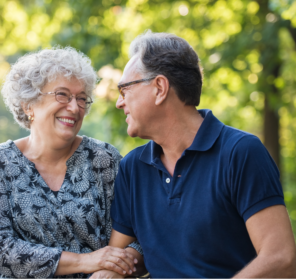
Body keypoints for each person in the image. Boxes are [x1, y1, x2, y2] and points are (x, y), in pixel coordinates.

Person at [92, 31, 296, 278]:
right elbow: (121, 256)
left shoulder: (241, 153)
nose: (119, 102)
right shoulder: (133, 168)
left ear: (159, 88)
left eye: (125, 90)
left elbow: (281, 258)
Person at [0, 47, 144, 278]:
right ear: (28, 104)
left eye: (81, 98)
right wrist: (87, 261)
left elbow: (143, 234)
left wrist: (115, 270)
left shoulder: (105, 159)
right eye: (62, 95)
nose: (74, 107)